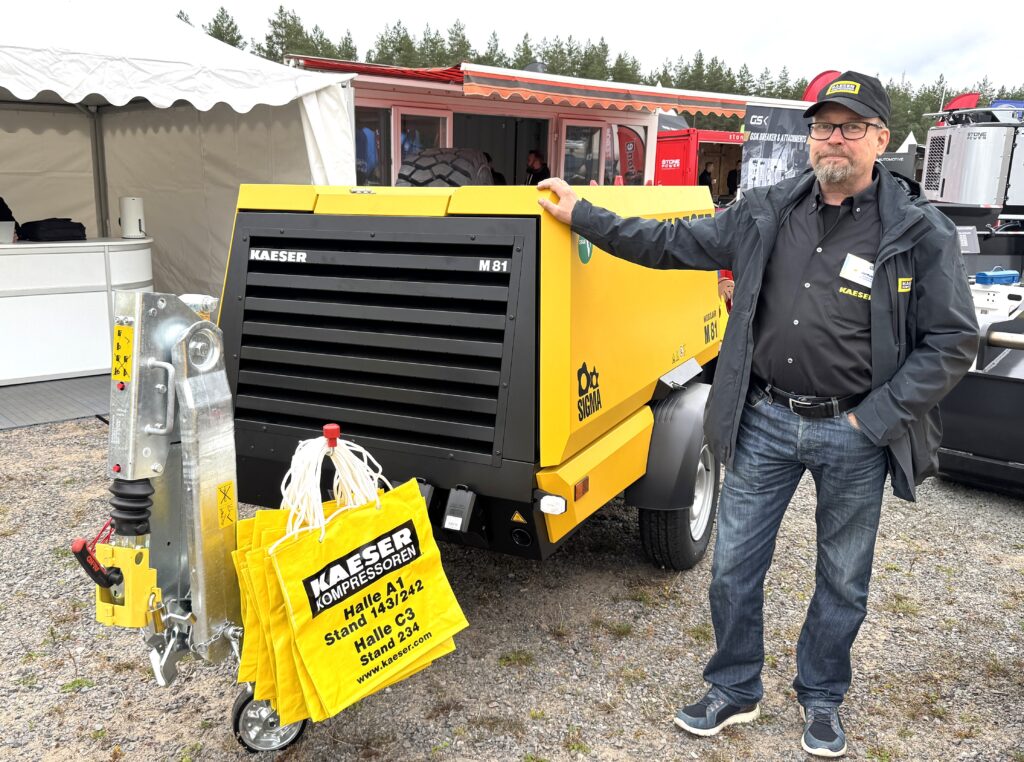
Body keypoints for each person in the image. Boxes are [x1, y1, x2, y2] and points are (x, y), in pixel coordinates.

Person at [536, 71, 978, 758]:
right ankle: (735, 687)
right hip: (765, 418)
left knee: (843, 578)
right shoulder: (767, 210)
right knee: (733, 568)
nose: (834, 138)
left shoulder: (919, 232)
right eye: (823, 126)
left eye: (851, 127)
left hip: (855, 431)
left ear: (881, 139)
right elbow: (669, 243)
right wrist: (583, 215)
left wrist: (876, 419)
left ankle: (822, 696)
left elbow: (952, 340)